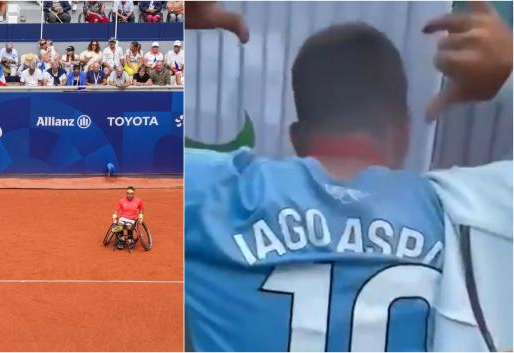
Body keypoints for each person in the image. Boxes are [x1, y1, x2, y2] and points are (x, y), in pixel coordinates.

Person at [184, 3, 513, 352]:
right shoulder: (479, 215)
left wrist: (145, 17)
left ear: (296, 139)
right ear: (402, 133)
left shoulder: (208, 199)